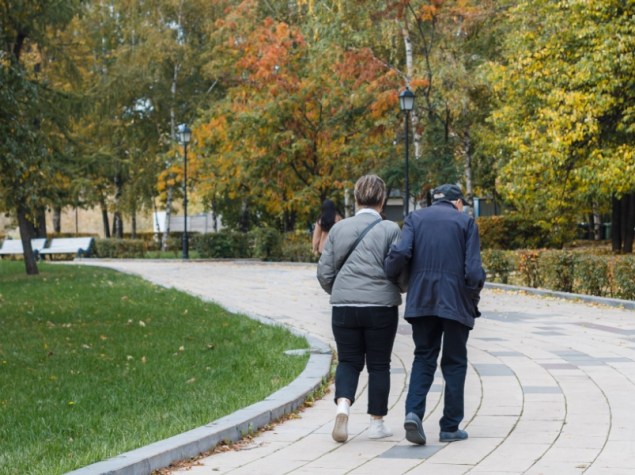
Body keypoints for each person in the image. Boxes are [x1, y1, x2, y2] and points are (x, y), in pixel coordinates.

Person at [384, 183, 485, 445]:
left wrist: (391, 274)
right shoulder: (465, 223)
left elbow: (401, 252)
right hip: (455, 303)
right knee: (454, 362)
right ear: (458, 203)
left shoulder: (415, 218)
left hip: (422, 301)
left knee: (423, 357)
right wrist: (472, 296)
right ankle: (450, 427)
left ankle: (413, 413)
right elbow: (474, 272)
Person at [317, 175, 405, 443]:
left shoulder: (339, 230)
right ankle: (377, 424)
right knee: (379, 365)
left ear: (356, 199)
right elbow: (399, 269)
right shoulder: (390, 229)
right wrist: (398, 288)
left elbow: (324, 272)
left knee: (348, 361)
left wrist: (341, 291)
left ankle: (343, 405)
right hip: (381, 307)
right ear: (382, 200)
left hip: (344, 307)